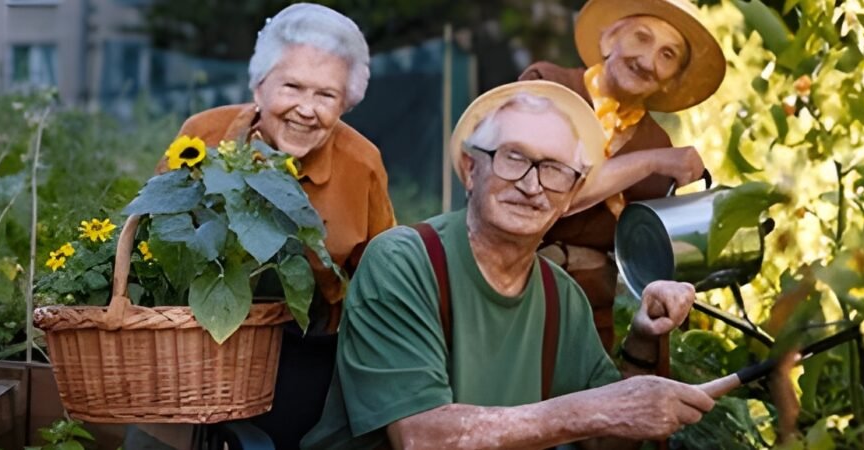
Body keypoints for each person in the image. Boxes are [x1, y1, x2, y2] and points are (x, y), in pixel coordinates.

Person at [302, 80, 713, 450]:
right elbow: (422, 438)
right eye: (514, 158)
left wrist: (643, 336)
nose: (532, 186)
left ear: (570, 196)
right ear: (470, 169)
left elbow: (606, 442)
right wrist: (590, 410)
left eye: (554, 170)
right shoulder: (405, 261)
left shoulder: (562, 297)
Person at [142, 4, 396, 449]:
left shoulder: (362, 164)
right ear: (260, 85)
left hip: (304, 354)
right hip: (189, 342)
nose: (306, 109)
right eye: (292, 86)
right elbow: (154, 231)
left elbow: (385, 274)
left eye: (326, 95)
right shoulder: (204, 134)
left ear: (346, 103)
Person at [518, 0, 726, 355]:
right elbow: (552, 196)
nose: (647, 61)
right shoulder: (549, 86)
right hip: (518, 293)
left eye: (667, 55)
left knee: (589, 403)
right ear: (608, 41)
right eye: (640, 38)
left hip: (591, 317)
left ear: (670, 81)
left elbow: (655, 256)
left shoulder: (657, 140)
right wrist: (649, 163)